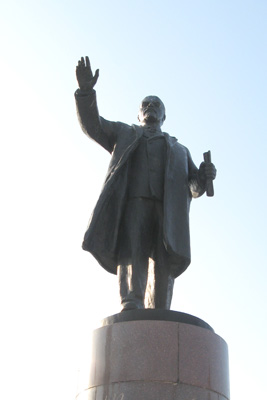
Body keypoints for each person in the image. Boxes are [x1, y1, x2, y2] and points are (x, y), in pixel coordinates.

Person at [75, 56, 216, 311]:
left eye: (156, 105)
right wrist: (86, 92)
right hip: (134, 204)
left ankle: (160, 307)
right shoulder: (125, 133)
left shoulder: (180, 150)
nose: (151, 106)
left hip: (168, 211)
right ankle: (131, 301)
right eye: (146, 104)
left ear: (164, 115)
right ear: (139, 113)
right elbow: (93, 126)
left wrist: (205, 176)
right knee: (133, 251)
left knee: (164, 260)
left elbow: (194, 187)